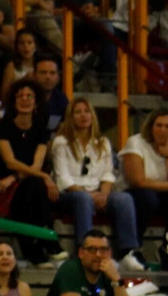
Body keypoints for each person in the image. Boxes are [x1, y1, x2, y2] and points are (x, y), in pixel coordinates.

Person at [51, 98, 142, 268]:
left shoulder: (102, 142)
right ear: (70, 117)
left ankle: (127, 252)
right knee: (83, 199)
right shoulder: (61, 142)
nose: (83, 115)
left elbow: (108, 173)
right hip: (69, 195)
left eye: (86, 111)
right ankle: (86, 250)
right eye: (78, 112)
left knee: (124, 199)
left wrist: (104, 194)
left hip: (97, 193)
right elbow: (63, 178)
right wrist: (89, 195)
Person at [0, 79, 59, 266]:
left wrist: (17, 177)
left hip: (23, 182)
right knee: (35, 186)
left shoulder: (40, 129)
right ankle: (47, 239)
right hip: (3, 186)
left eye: (29, 96)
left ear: (36, 102)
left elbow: (37, 166)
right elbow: (10, 162)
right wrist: (44, 176)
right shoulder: (3, 126)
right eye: (20, 96)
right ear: (13, 102)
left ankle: (34, 250)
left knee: (33, 187)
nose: (25, 99)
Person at [41, 227, 129, 296]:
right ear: (81, 253)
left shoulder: (109, 273)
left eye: (103, 250)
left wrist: (116, 279)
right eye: (92, 249)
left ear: (109, 253)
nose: (98, 255)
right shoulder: (70, 269)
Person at [120, 109, 168, 233]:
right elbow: (138, 181)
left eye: (167, 126)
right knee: (148, 198)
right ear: (151, 128)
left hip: (162, 194)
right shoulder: (136, 142)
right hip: (133, 192)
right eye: (159, 125)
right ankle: (136, 241)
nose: (163, 130)